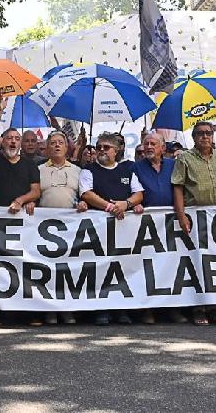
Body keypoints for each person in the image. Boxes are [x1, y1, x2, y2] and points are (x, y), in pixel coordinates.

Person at [171, 121, 216, 326]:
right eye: (200, 133)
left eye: (208, 133)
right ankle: (199, 308)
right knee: (198, 263)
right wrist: (181, 215)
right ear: (194, 137)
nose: (205, 137)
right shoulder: (184, 158)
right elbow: (178, 187)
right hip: (195, 216)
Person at [79, 132, 142, 326]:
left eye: (106, 147)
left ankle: (121, 308)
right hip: (98, 229)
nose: (101, 151)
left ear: (117, 150)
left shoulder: (127, 171)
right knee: (99, 267)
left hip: (123, 228)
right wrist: (110, 207)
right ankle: (101, 309)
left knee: (121, 266)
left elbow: (138, 193)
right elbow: (86, 194)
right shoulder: (88, 170)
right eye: (99, 147)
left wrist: (127, 204)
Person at [129, 133, 187, 325]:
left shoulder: (173, 165)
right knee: (147, 266)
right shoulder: (135, 167)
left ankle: (173, 308)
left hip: (172, 223)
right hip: (146, 224)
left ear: (163, 148)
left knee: (172, 265)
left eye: (153, 143)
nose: (148, 147)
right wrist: (134, 204)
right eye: (145, 144)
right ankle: (147, 309)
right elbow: (131, 191)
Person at [35, 131, 87, 325]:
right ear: (47, 148)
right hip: (43, 229)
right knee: (47, 271)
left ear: (67, 147)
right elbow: (32, 193)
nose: (57, 146)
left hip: (70, 228)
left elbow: (85, 195)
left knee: (67, 271)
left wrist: (83, 204)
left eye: (60, 143)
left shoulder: (77, 170)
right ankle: (49, 310)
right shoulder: (38, 170)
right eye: (53, 143)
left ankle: (67, 310)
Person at [0, 97, 41, 216]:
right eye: (9, 138)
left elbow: (36, 192)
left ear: (20, 144)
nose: (13, 141)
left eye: (17, 139)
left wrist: (21, 200)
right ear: (2, 143)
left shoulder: (30, 164)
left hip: (21, 216)